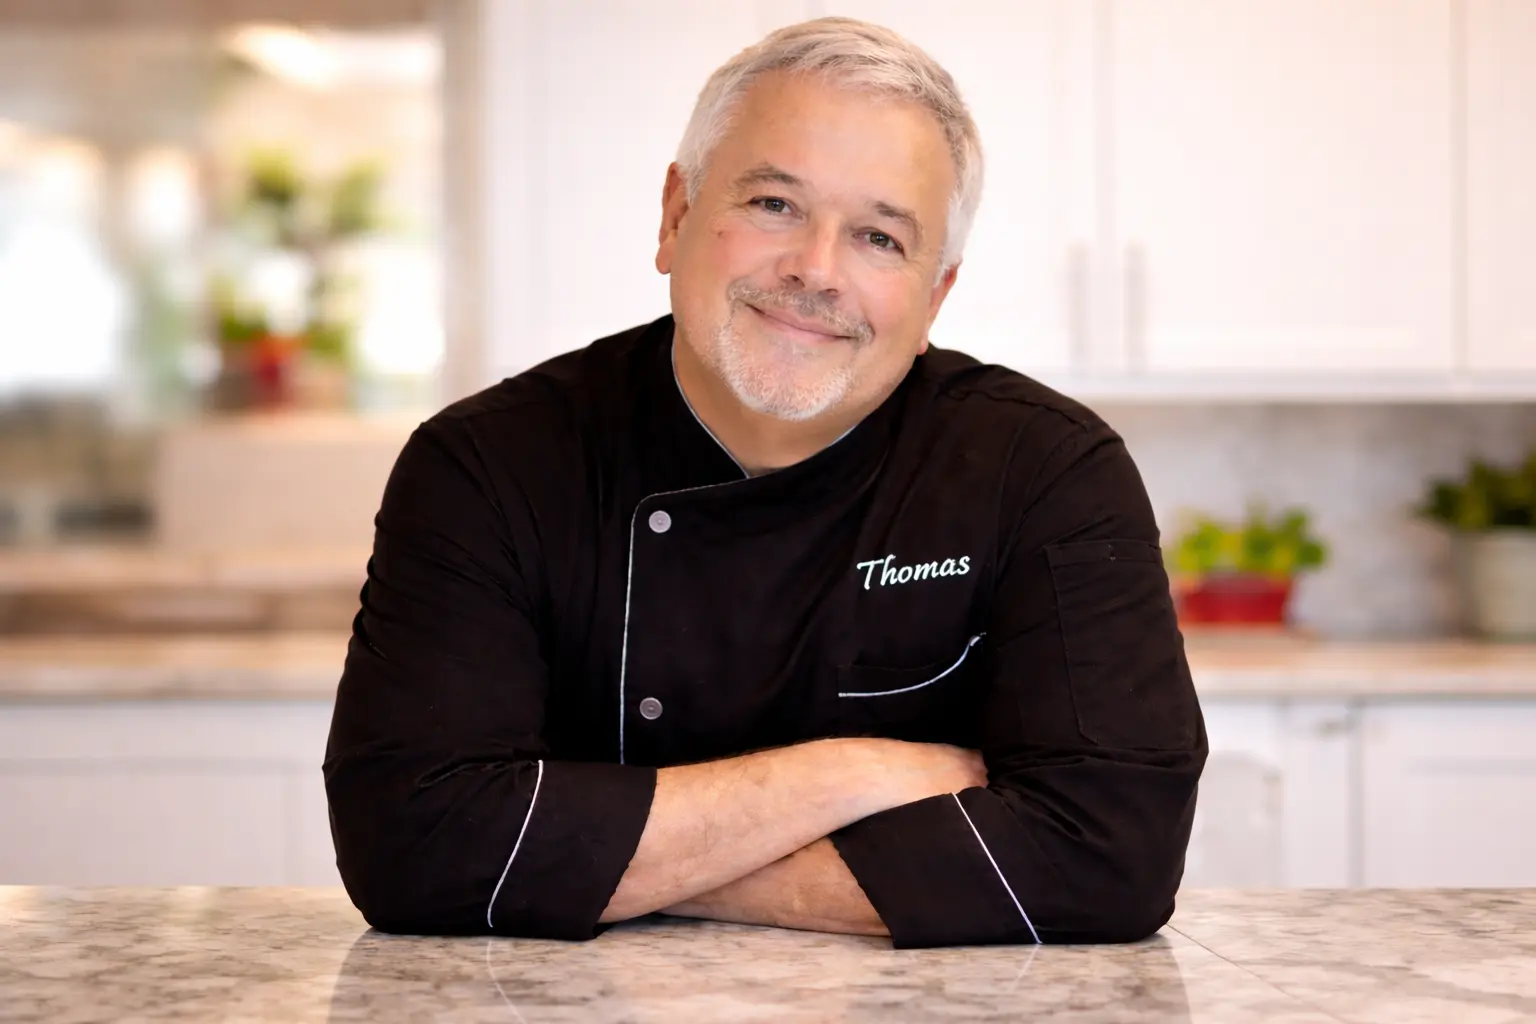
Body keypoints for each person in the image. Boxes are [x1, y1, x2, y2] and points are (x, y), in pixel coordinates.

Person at [323, 16, 1206, 950]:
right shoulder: (489, 466)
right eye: (775, 205)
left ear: (935, 294)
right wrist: (851, 775)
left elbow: (1113, 859)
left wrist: (620, 868)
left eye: (877, 237)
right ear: (675, 216)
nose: (815, 271)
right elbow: (415, 845)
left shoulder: (1045, 472)